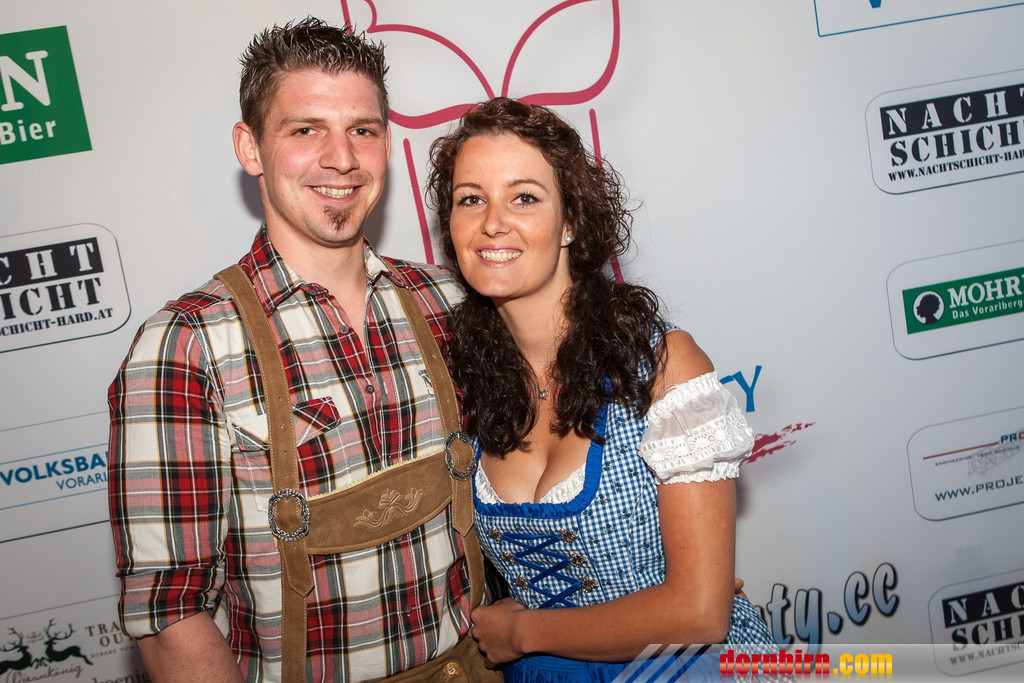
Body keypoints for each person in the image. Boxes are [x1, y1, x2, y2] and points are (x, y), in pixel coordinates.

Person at [107, 18, 499, 682]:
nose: (341, 158)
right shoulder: (185, 346)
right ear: (251, 147)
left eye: (363, 130)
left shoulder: (449, 300)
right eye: (306, 130)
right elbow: (171, 616)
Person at [426, 97, 774, 681]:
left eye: (524, 197)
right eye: (470, 199)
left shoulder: (661, 365)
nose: (493, 222)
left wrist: (522, 632)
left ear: (572, 222)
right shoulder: (464, 375)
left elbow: (700, 613)